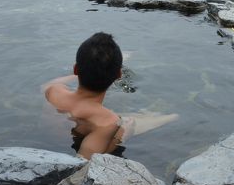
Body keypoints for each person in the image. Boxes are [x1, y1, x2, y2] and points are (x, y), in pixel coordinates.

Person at [42, 32, 178, 159]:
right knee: (133, 122)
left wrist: (82, 70)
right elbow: (85, 158)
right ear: (119, 75)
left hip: (46, 142)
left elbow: (46, 86)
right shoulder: (107, 122)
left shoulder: (54, 91)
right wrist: (122, 136)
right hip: (68, 153)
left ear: (75, 69)